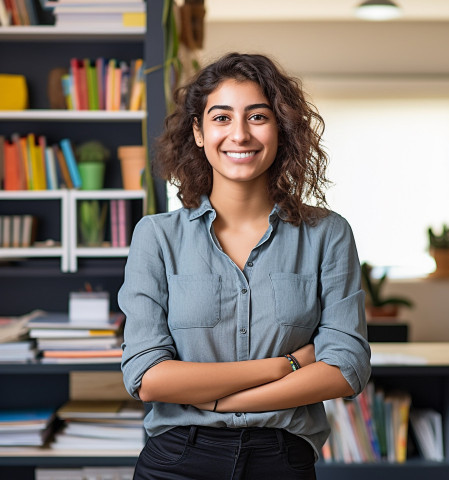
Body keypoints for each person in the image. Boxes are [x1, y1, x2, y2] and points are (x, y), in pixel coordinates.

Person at [119, 52, 371, 480]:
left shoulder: (327, 233)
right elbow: (148, 377)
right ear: (198, 132)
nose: (239, 134)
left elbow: (346, 368)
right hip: (177, 461)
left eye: (257, 117)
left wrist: (224, 402)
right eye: (221, 118)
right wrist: (286, 364)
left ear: (281, 128)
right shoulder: (156, 236)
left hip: (282, 459)